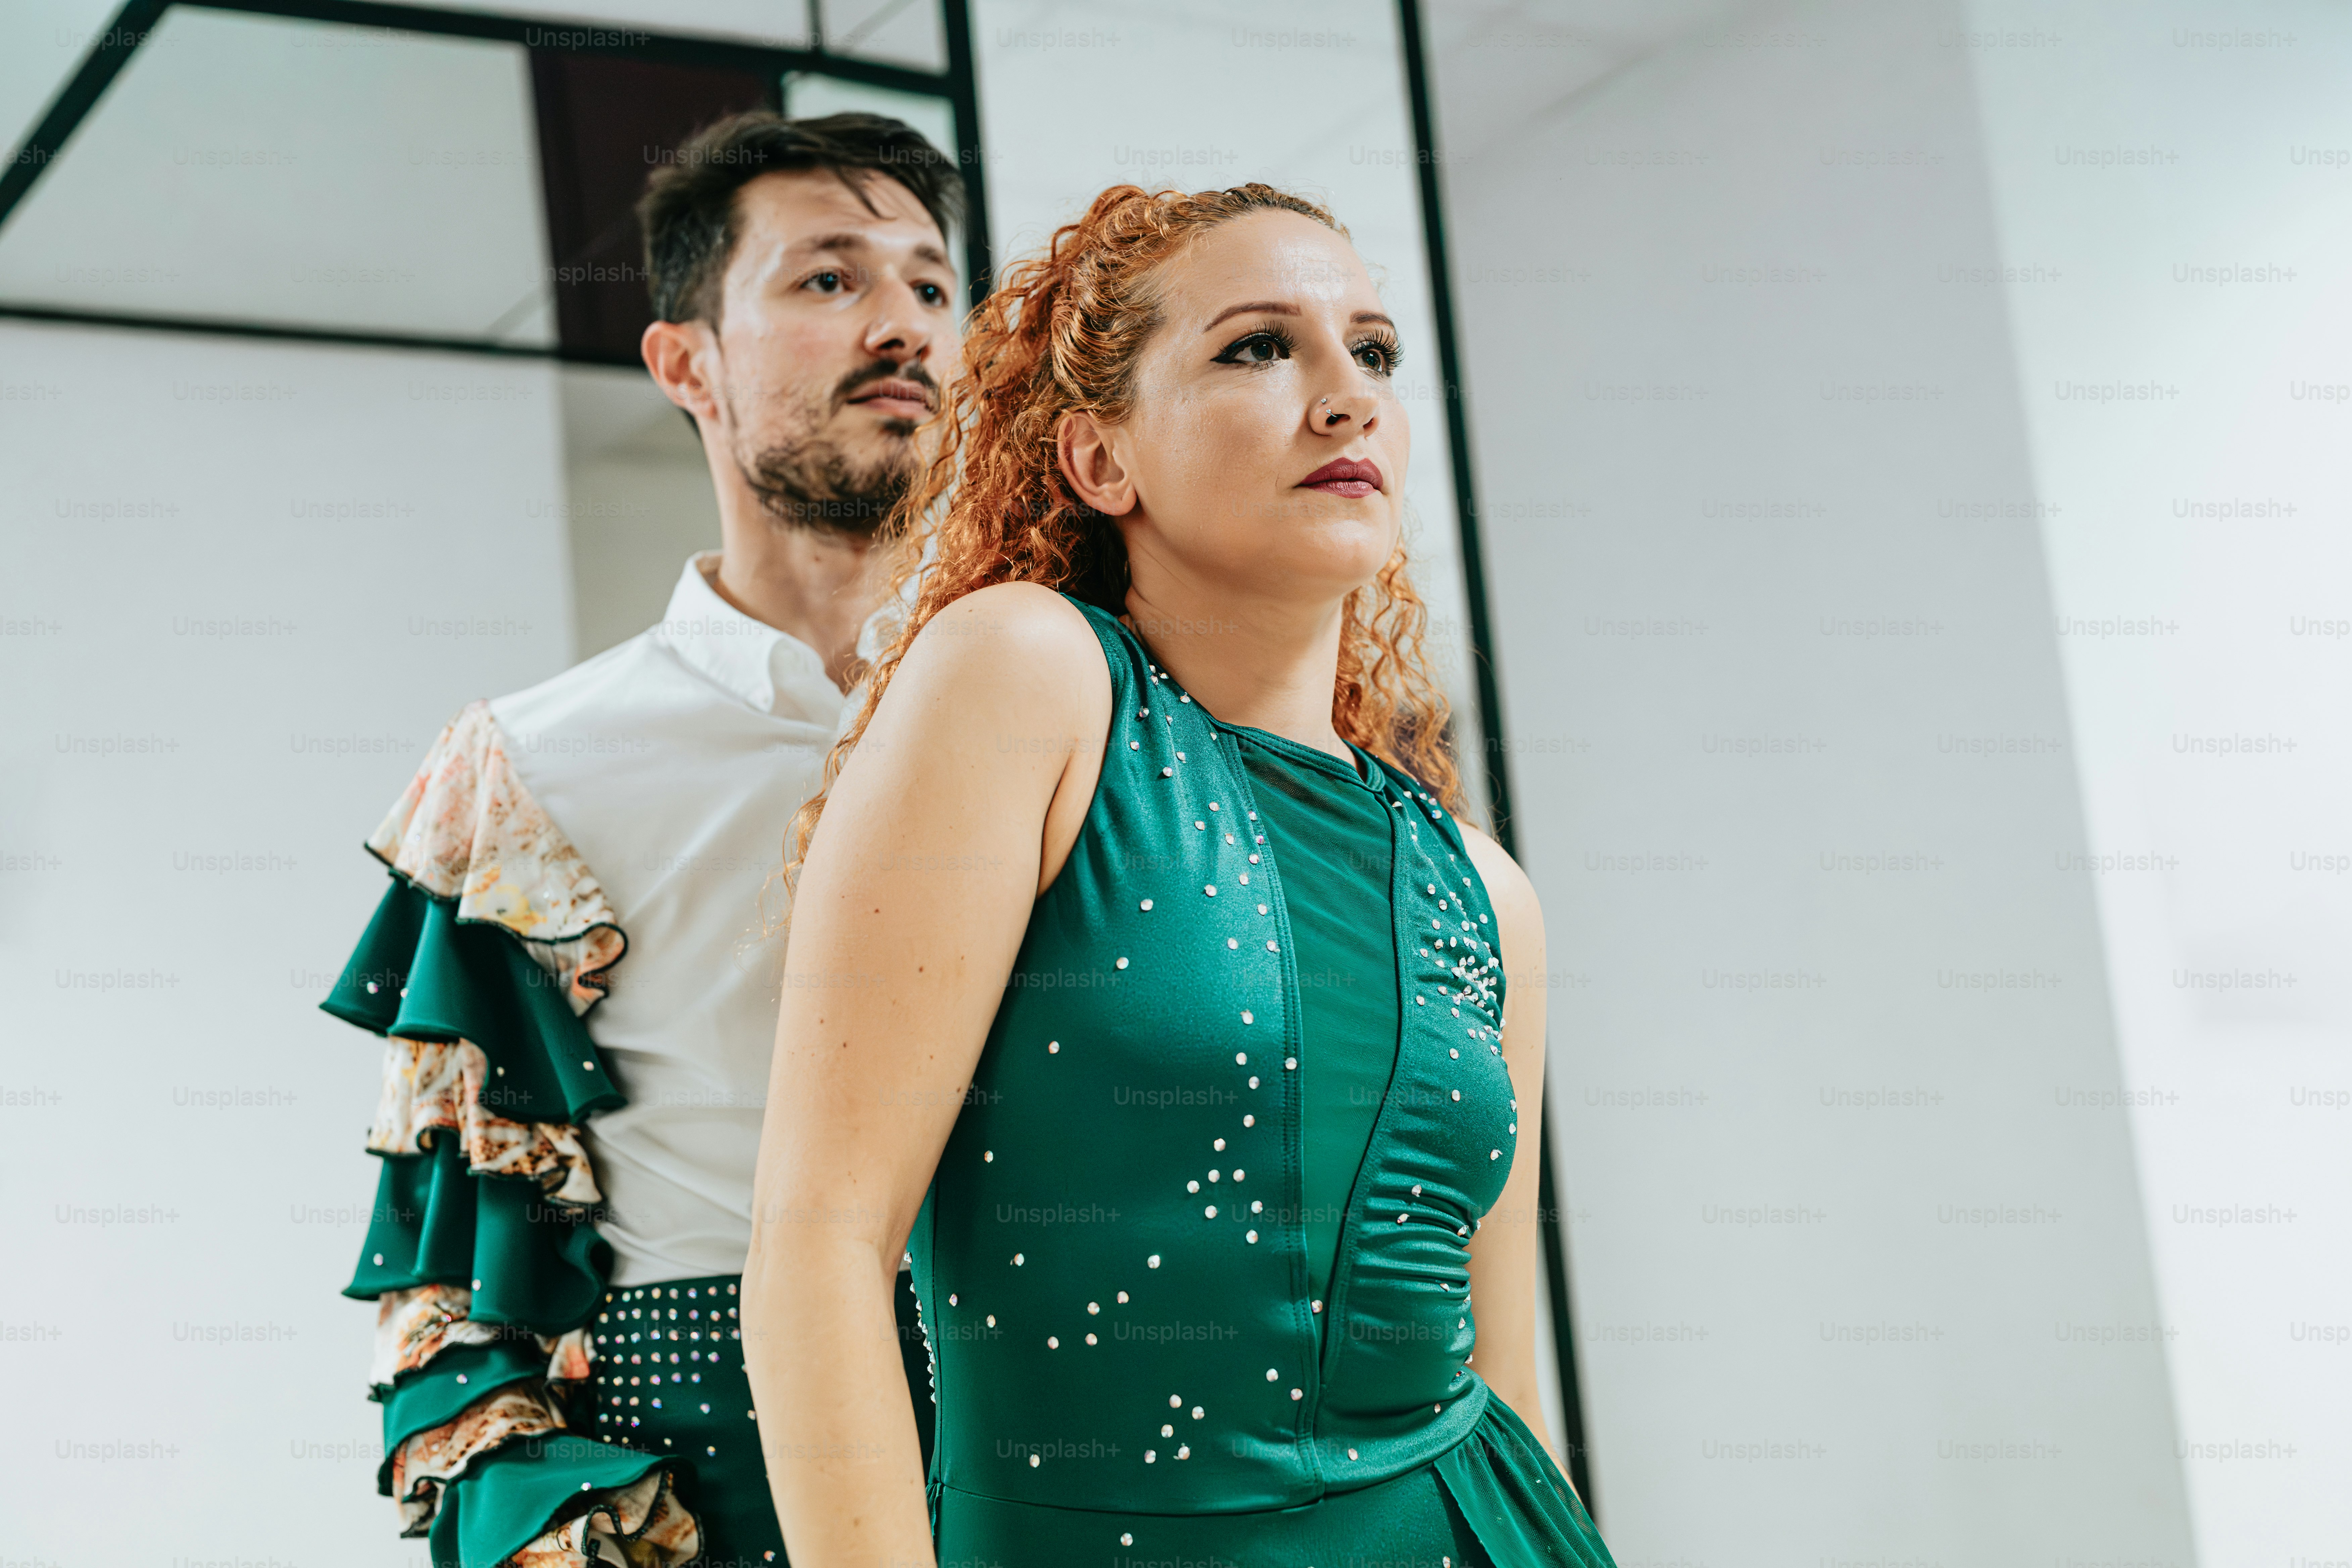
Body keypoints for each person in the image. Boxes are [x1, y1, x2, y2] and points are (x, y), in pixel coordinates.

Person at [745, 184, 1616, 1567]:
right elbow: (819, 1247)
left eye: (1375, 353)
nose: (1349, 399)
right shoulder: (1025, 673)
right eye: (1259, 347)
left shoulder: (1489, 891)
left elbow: (1505, 1375)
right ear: (1100, 458)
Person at [317, 110, 963, 1568]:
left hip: (1099, 1436)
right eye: (829, 279)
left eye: (931, 285)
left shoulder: (1098, 713)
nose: (903, 325)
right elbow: (452, 1282)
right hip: (722, 1475)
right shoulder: (526, 774)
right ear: (687, 365)